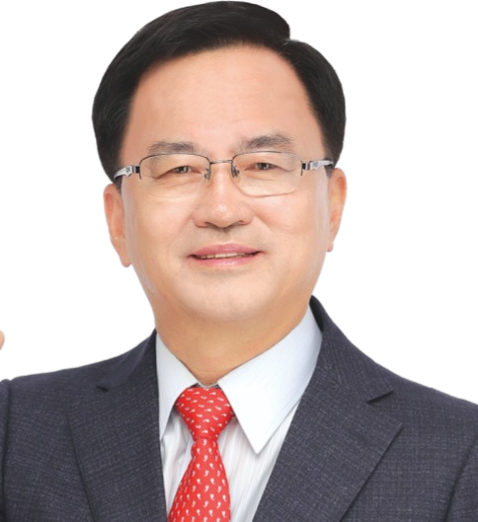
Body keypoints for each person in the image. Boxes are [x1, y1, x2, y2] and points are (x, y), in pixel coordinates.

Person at [1, 1, 476, 521]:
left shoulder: (462, 454)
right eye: (178, 169)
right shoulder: (13, 427)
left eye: (264, 164)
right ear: (117, 220)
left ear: (334, 205)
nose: (222, 210)